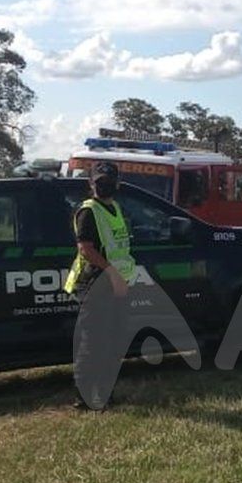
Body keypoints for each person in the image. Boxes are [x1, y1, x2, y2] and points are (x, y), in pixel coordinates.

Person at [63, 161, 136, 409]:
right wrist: (113, 274)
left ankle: (105, 393)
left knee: (114, 341)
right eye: (100, 182)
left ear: (117, 183)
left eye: (109, 181)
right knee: (94, 342)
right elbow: (86, 249)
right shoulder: (88, 211)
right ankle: (85, 398)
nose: (104, 186)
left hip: (116, 284)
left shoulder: (114, 208)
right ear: (91, 183)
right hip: (95, 283)